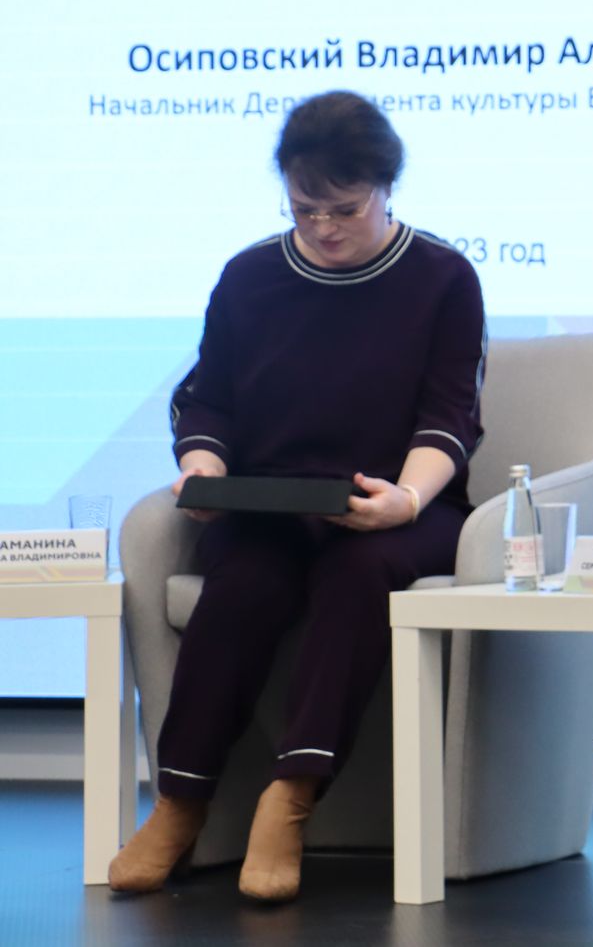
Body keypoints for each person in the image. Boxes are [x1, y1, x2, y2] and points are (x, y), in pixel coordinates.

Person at [108, 92, 486, 903]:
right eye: (304, 209)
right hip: (273, 509)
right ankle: (178, 803)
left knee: (358, 573)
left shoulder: (443, 278)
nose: (323, 227)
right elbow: (207, 401)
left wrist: (405, 499)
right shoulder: (250, 277)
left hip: (399, 509)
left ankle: (290, 798)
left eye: (344, 209)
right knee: (244, 585)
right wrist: (203, 467)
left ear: (386, 187)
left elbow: (450, 414)